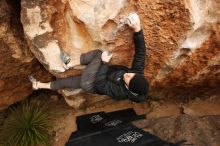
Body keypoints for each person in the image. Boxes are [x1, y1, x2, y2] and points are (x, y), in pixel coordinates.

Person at [30, 13, 149, 102]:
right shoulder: (137, 74)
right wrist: (138, 29)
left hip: (92, 84)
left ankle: (70, 62)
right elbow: (140, 53)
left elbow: (100, 84)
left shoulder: (121, 93)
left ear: (128, 87)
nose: (127, 74)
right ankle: (39, 85)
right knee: (66, 82)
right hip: (94, 77)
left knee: (98, 54)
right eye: (132, 74)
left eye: (128, 79)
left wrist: (104, 63)